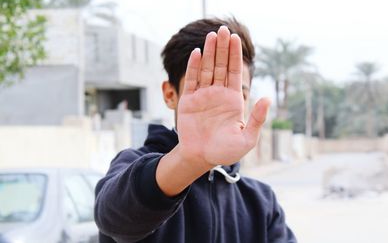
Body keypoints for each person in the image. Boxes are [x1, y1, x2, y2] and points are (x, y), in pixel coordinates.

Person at [95, 18, 297, 243]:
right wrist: (189, 160)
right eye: (205, 90)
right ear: (170, 94)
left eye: (239, 93)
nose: (219, 105)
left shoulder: (262, 204)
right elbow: (113, 219)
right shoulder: (132, 169)